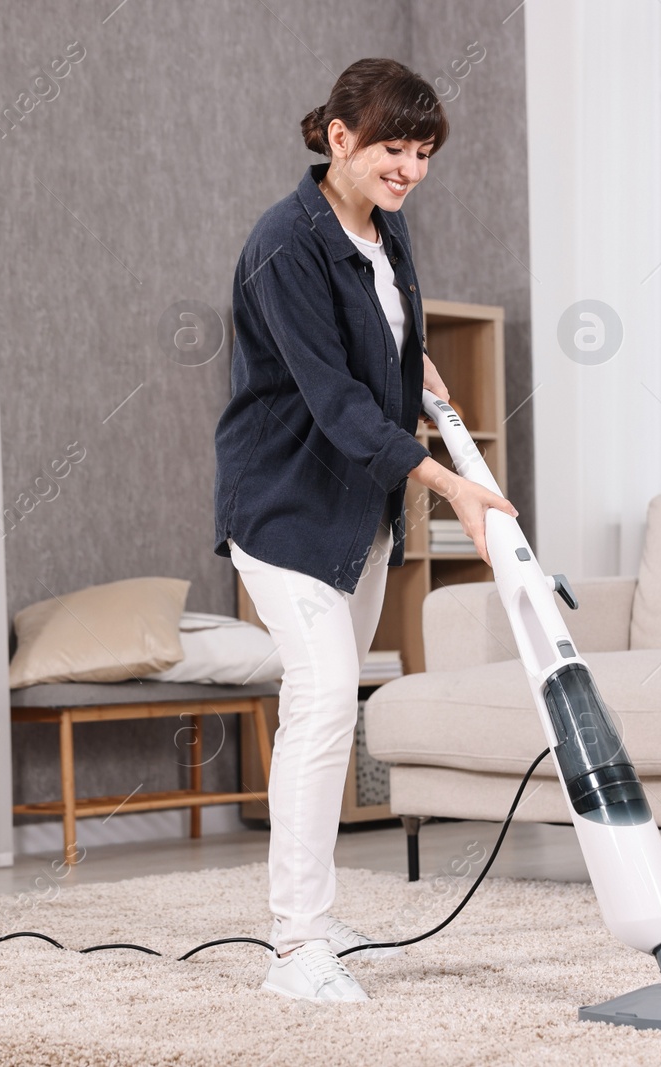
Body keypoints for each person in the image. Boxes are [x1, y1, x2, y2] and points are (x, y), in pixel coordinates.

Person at [213, 57, 516, 1003]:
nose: (410, 167)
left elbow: (381, 332)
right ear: (338, 137)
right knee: (325, 697)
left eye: (423, 152)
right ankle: (294, 944)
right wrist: (449, 485)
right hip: (287, 507)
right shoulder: (282, 245)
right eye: (393, 147)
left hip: (360, 512)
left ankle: (318, 914)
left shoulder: (389, 232)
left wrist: (416, 361)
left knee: (330, 705)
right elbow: (338, 402)